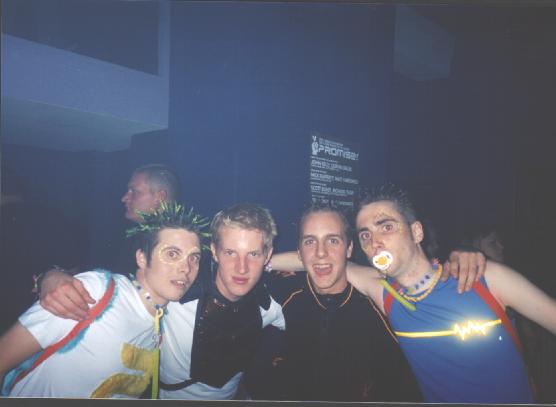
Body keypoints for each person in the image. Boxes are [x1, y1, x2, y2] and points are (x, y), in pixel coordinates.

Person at [347, 183, 556, 403]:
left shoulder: (484, 278)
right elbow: (331, 262)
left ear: (416, 232)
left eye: (386, 227)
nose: (374, 243)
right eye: (365, 235)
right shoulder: (388, 296)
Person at [0, 202, 205, 398]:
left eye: (194, 258)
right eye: (172, 254)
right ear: (142, 258)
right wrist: (48, 276)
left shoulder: (161, 323)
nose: (186, 268)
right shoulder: (97, 290)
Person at [252, 205, 421, 401]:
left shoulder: (379, 303)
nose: (321, 252)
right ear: (299, 251)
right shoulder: (285, 294)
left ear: (349, 249)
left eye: (332, 240)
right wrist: (258, 262)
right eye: (310, 241)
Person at [158, 203, 285, 399]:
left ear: (267, 255)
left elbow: (315, 262)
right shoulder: (177, 295)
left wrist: (347, 268)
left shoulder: (269, 307)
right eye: (230, 252)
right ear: (214, 251)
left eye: (253, 254)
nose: (242, 268)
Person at [40, 163, 182, 321]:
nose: (124, 198)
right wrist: (53, 276)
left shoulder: (178, 245)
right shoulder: (130, 237)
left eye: (134, 192)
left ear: (159, 198)